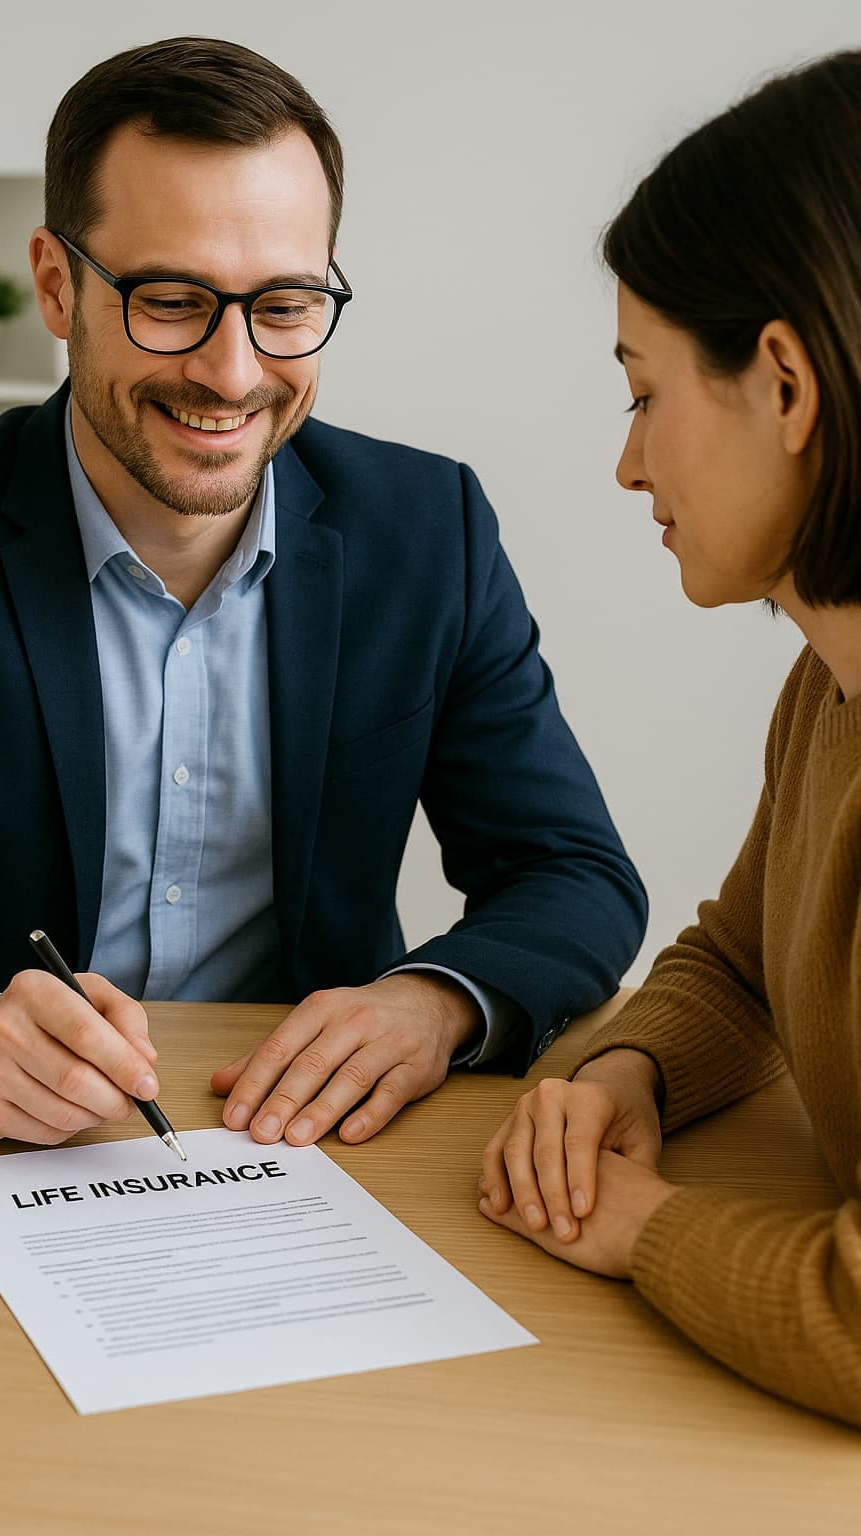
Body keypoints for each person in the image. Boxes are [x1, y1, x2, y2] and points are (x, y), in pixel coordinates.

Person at [0, 37, 646, 1150]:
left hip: (316, 1146)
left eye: (283, 303)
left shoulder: (428, 531)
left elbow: (572, 872)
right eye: (170, 300)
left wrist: (431, 1004)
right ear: (56, 284)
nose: (231, 373)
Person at [478, 49, 861, 1428]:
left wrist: (639, 1227)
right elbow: (746, 963)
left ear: (786, 384)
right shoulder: (828, 693)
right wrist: (625, 1067)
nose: (628, 463)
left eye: (644, 392)